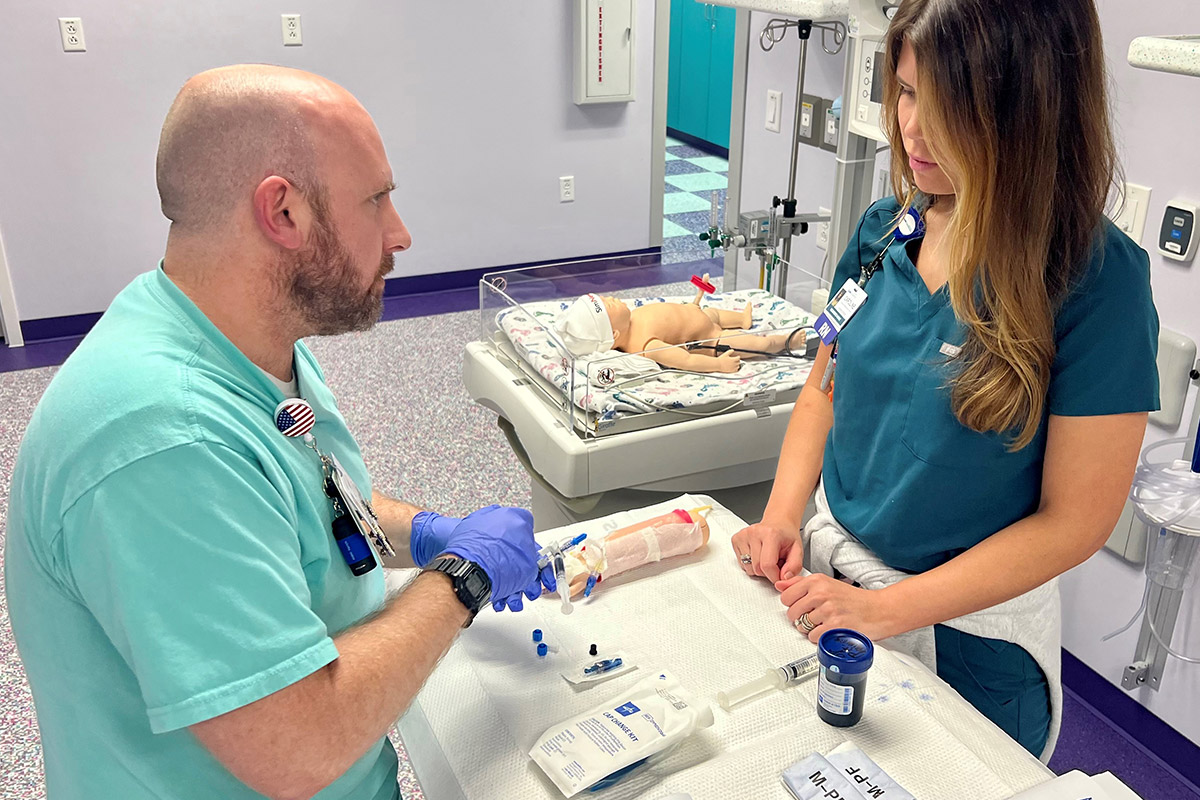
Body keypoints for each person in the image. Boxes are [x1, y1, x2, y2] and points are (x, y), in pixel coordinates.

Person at [4, 65, 551, 800]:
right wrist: (461, 578)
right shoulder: (165, 439)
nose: (401, 234)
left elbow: (298, 497)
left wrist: (426, 532)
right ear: (283, 213)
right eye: (377, 200)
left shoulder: (235, 339)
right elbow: (298, 746)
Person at [731, 0, 1159, 760]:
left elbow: (1077, 522)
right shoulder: (882, 232)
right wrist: (781, 517)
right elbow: (823, 390)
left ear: (1029, 111)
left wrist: (888, 608)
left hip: (965, 639)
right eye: (904, 91)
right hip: (831, 592)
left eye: (949, 105)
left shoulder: (1094, 281)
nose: (911, 130)